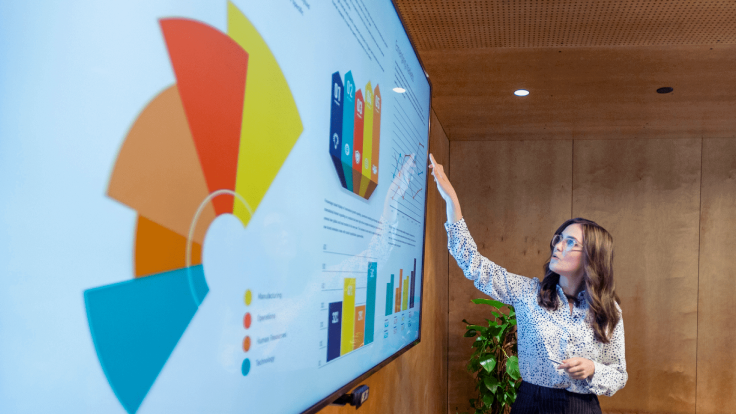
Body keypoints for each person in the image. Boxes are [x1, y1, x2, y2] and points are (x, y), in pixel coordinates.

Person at [428, 154, 627, 413]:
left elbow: (619, 374)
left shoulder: (608, 309)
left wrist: (593, 369)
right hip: (532, 402)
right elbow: (474, 264)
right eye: (559, 238)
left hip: (583, 406)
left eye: (570, 242)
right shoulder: (528, 292)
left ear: (592, 256)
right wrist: (451, 201)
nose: (558, 245)